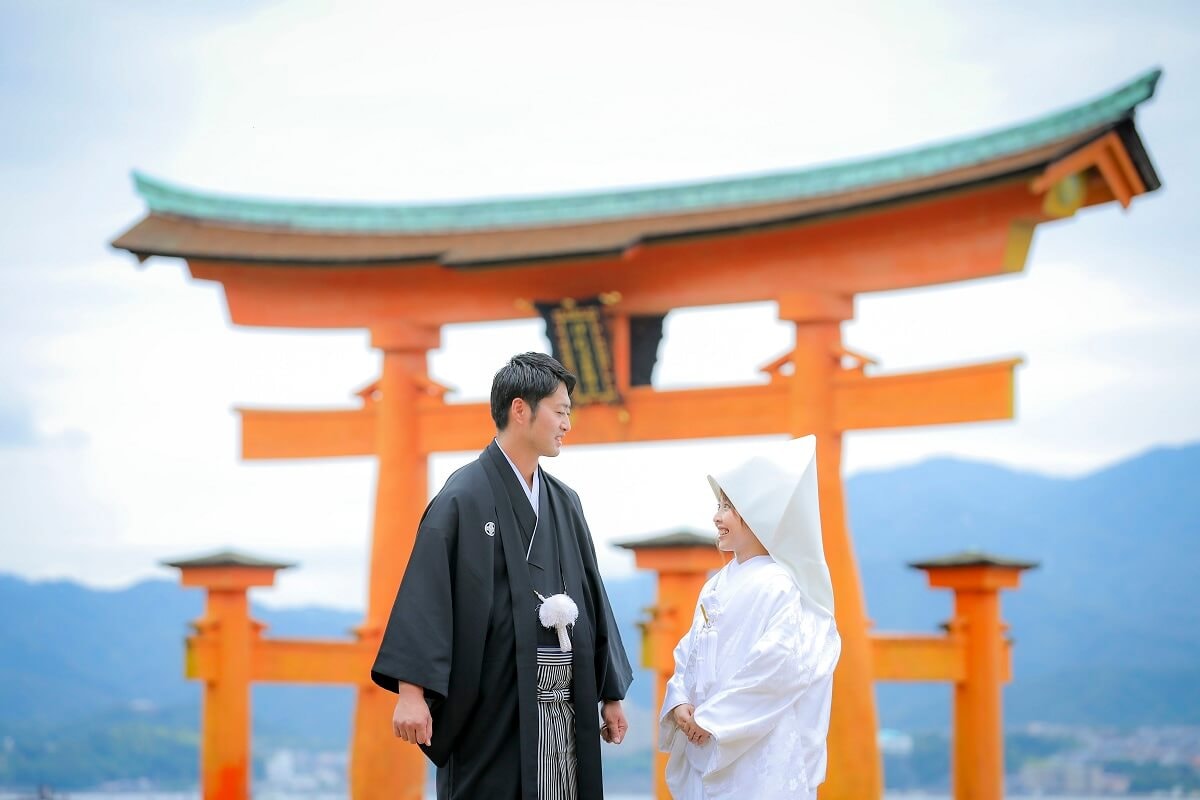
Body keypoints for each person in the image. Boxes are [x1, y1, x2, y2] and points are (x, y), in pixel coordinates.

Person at [371, 352, 633, 800]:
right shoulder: (463, 496)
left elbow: (592, 598)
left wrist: (610, 693)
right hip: (492, 706)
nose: (567, 424)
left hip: (563, 706)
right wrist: (411, 694)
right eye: (561, 411)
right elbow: (427, 595)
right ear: (520, 409)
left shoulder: (564, 501)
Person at [659, 436, 841, 800]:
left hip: (759, 749)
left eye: (727, 506)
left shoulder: (783, 586)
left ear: (759, 515)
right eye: (718, 504)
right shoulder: (717, 584)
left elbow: (778, 667)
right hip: (707, 739)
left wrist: (713, 720)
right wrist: (679, 700)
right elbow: (689, 653)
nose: (716, 516)